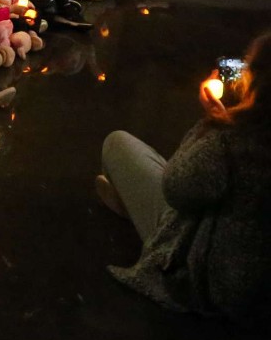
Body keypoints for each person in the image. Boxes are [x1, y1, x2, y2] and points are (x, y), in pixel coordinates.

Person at [97, 33, 271, 323]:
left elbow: (176, 188)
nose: (241, 72)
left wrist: (213, 122)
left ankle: (131, 202)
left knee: (118, 144)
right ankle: (130, 198)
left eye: (248, 67)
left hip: (213, 284)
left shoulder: (235, 142)